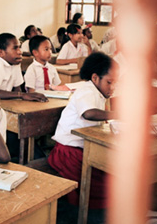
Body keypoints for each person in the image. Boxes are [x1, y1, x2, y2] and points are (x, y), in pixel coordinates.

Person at [48, 52, 118, 209]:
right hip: (68, 153)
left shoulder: (98, 93)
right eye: (109, 82)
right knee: (110, 184)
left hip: (82, 150)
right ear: (95, 78)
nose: (112, 87)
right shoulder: (86, 91)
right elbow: (89, 113)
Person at [0, 33, 47, 102]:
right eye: (15, 48)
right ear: (1, 53)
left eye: (19, 47)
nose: (20, 52)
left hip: (4, 102)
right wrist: (21, 95)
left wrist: (21, 99)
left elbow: (17, 88)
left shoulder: (15, 63)